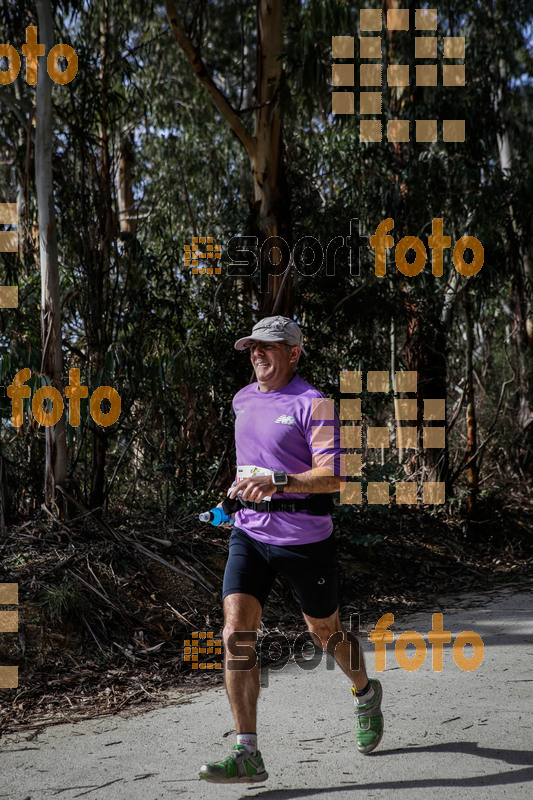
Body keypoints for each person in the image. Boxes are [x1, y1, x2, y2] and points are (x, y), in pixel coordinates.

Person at [199, 316, 383, 784]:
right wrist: (228, 502)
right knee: (235, 631)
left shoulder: (313, 403)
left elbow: (333, 476)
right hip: (250, 534)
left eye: (268, 347)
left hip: (305, 540)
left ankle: (364, 693)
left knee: (326, 634)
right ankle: (247, 751)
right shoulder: (242, 399)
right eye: (252, 347)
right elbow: (249, 467)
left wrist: (277, 482)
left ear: (294, 352)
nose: (257, 354)